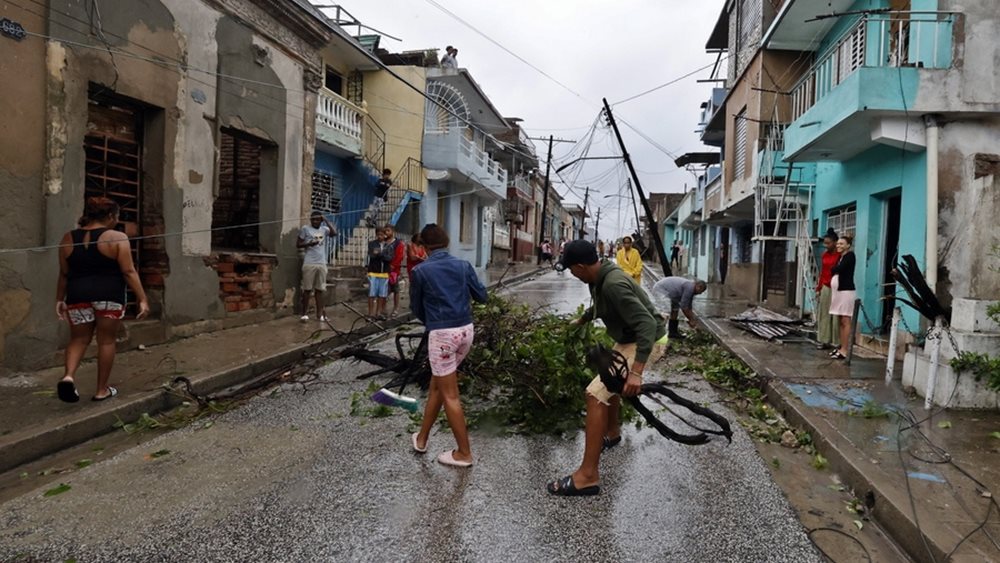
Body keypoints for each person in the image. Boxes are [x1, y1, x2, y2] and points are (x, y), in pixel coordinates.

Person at [547, 240, 666, 496]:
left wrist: (636, 372)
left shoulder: (613, 284)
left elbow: (646, 324)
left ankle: (587, 476)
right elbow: (602, 305)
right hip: (629, 338)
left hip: (647, 339)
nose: (572, 274)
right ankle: (611, 433)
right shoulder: (599, 279)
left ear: (580, 266)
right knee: (608, 380)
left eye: (571, 269)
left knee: (594, 395)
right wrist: (582, 319)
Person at [56, 197, 150, 403]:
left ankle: (68, 376)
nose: (117, 220)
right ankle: (101, 390)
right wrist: (142, 298)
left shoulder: (67, 238)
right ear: (109, 216)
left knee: (78, 339)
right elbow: (128, 270)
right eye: (116, 217)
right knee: (106, 341)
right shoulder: (117, 237)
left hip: (77, 296)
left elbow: (64, 274)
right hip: (109, 297)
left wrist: (59, 299)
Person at [410, 223, 487, 467]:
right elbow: (482, 297)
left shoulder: (420, 272)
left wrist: (433, 322)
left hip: (442, 335)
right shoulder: (463, 266)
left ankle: (464, 453)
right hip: (466, 331)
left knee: (450, 395)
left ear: (423, 247)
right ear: (448, 242)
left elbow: (416, 308)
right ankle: (421, 439)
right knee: (438, 386)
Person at [297, 211, 336, 322]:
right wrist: (309, 243)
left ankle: (320, 314)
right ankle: (304, 314)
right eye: (313, 219)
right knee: (307, 289)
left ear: (321, 220)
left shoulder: (324, 229)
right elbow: (298, 244)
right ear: (310, 220)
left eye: (317, 219)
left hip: (321, 263)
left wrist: (326, 220)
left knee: (320, 289)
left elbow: (334, 233)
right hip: (309, 262)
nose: (315, 221)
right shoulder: (305, 229)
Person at [829, 235, 857, 360]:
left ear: (848, 245)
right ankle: (841, 347)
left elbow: (838, 269)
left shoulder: (850, 256)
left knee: (846, 321)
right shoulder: (840, 257)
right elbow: (833, 269)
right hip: (839, 293)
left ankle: (845, 350)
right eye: (838, 244)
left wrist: (834, 269)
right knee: (841, 321)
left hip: (846, 292)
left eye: (841, 244)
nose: (838, 246)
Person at [815, 229, 840, 350]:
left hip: (837, 287)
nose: (826, 245)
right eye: (825, 243)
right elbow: (822, 272)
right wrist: (818, 288)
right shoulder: (824, 255)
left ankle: (837, 341)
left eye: (828, 243)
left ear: (835, 242)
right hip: (825, 286)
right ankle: (824, 340)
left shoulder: (840, 256)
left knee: (836, 315)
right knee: (824, 313)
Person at [366, 228, 391, 320]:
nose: (380, 236)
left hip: (384, 273)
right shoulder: (372, 244)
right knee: (371, 293)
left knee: (382, 294)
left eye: (382, 235)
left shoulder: (388, 246)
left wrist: (379, 253)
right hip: (373, 271)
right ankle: (370, 314)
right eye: (378, 235)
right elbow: (372, 255)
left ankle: (378, 313)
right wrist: (382, 254)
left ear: (385, 235)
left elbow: (389, 258)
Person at [383, 224, 406, 318]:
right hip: (383, 270)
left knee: (396, 290)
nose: (386, 233)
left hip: (394, 271)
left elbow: (400, 256)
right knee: (384, 290)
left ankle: (395, 309)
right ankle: (383, 309)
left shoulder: (398, 243)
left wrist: (393, 266)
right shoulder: (383, 242)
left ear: (392, 231)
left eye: (388, 230)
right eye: (385, 231)